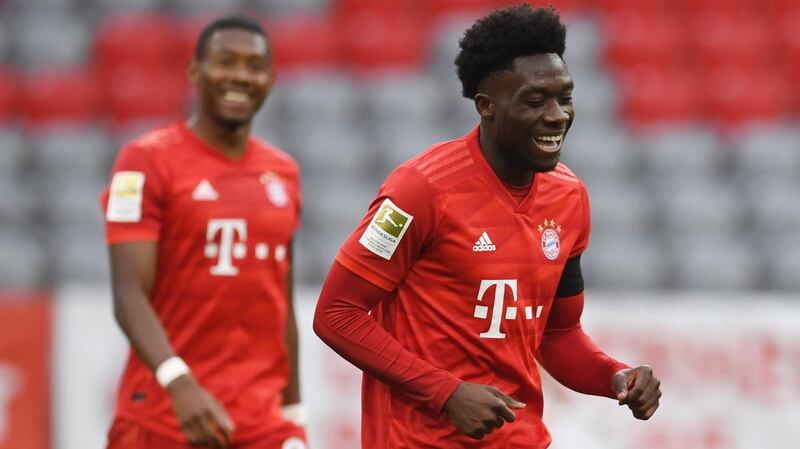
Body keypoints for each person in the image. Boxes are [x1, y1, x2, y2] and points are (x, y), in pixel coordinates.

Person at [313, 4, 661, 448]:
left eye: (565, 97)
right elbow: (337, 314)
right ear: (487, 106)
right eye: (535, 101)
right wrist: (445, 392)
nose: (557, 115)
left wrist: (614, 375)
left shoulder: (569, 197)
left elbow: (558, 334)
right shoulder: (418, 191)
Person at [101, 16, 308, 449]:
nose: (239, 75)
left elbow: (280, 300)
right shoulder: (144, 161)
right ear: (195, 71)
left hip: (261, 422)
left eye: (254, 66)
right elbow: (127, 293)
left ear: (270, 80)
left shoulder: (283, 172)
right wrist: (179, 384)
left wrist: (293, 413)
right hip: (165, 413)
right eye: (225, 61)